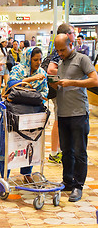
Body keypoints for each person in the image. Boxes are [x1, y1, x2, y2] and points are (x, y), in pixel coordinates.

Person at [51, 34, 98, 202]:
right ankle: (68, 181)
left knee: (79, 152)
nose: (60, 53)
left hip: (79, 113)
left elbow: (94, 81)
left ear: (71, 44)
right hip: (63, 114)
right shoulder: (61, 62)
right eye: (58, 50)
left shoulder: (82, 59)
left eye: (63, 49)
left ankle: (78, 185)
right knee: (66, 151)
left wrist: (72, 83)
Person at [0, 47, 48, 180]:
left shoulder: (42, 72)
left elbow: (44, 92)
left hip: (33, 113)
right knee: (8, 143)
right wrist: (31, 80)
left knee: (30, 142)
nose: (38, 62)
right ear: (28, 59)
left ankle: (27, 173)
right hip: (15, 112)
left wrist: (29, 92)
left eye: (40, 60)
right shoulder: (18, 69)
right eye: (35, 60)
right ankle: (5, 176)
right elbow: (11, 85)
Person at [47, 23, 76, 164]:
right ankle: (54, 153)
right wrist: (68, 74)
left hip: (63, 90)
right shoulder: (58, 50)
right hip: (59, 90)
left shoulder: (64, 49)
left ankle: (58, 150)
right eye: (73, 32)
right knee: (58, 120)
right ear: (67, 34)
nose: (75, 35)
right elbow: (51, 69)